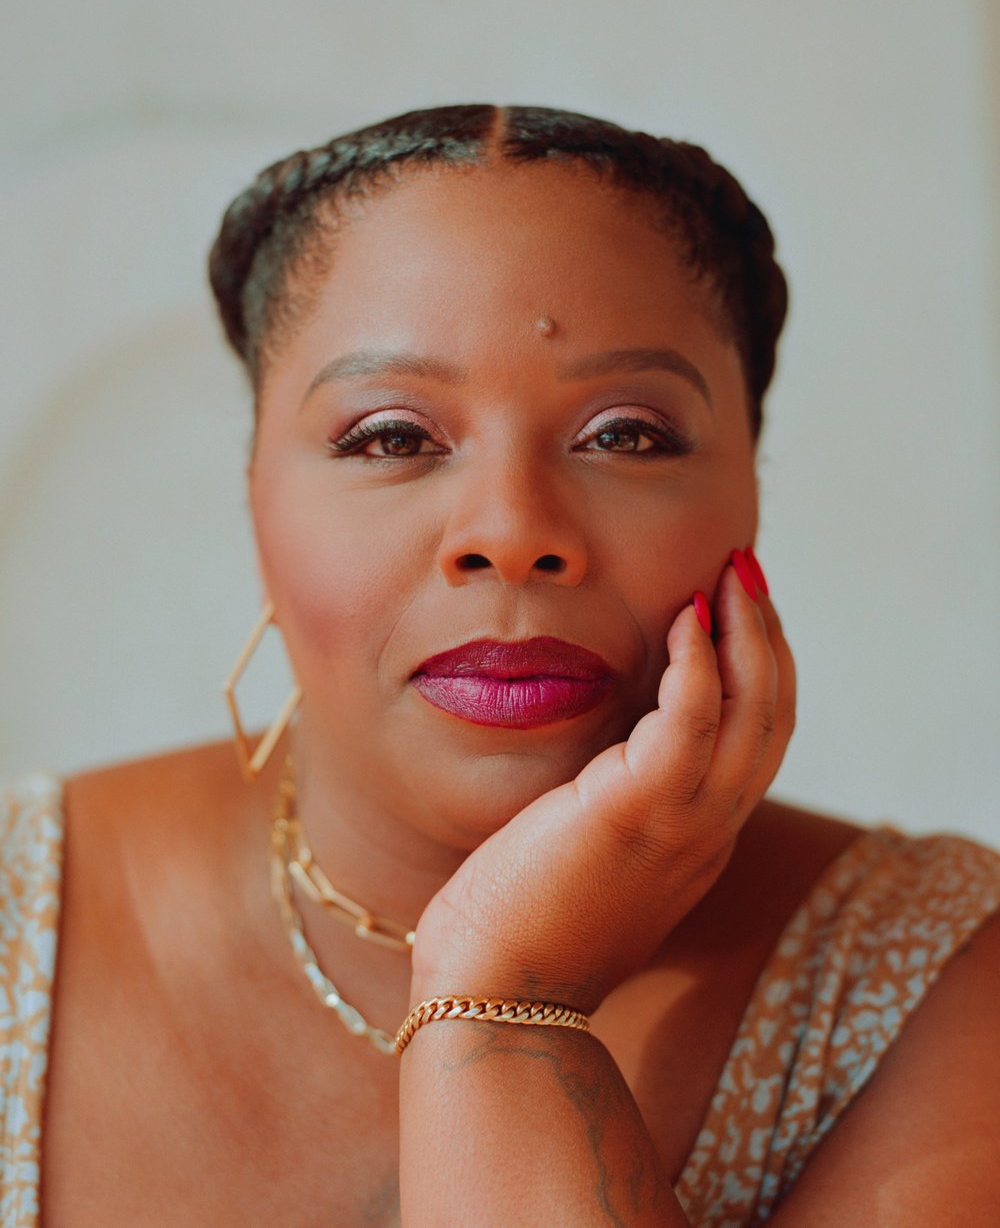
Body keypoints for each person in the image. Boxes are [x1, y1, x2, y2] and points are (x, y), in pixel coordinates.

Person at [2, 104, 998, 1228]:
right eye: (389, 435)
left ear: (749, 496)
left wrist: (504, 1006)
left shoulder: (932, 982)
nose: (513, 529)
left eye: (625, 432)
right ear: (254, 497)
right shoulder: (17, 921)